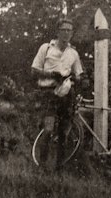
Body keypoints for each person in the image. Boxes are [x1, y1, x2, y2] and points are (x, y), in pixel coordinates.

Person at [31, 18, 85, 170]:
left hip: (66, 94)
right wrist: (52, 75)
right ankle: (41, 168)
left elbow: (79, 74)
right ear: (57, 32)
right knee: (48, 130)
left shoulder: (73, 53)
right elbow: (34, 71)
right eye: (64, 30)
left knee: (63, 133)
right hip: (48, 93)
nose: (67, 33)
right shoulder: (46, 48)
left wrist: (74, 79)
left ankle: (59, 169)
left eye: (69, 30)